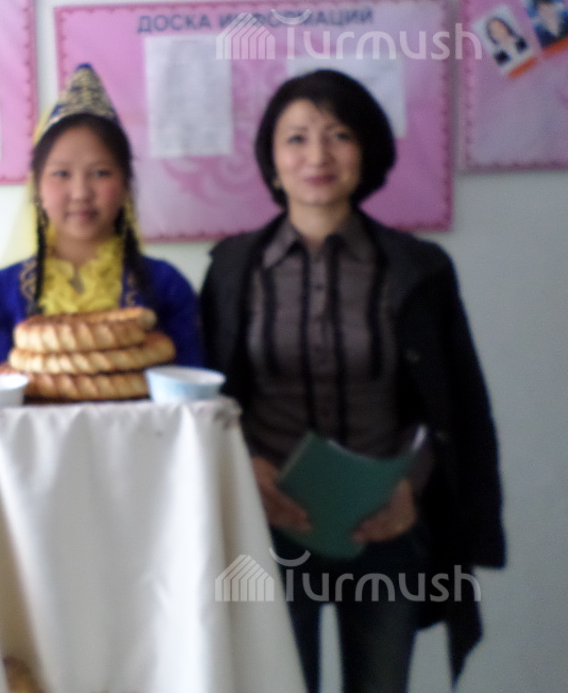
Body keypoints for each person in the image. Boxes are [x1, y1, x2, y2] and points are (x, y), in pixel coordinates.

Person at [200, 69, 505, 693]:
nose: (317, 155)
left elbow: (456, 403)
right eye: (297, 138)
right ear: (271, 159)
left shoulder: (417, 268)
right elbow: (209, 399)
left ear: (366, 152)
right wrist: (245, 470)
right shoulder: (233, 268)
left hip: (384, 523)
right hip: (271, 524)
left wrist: (411, 489)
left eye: (338, 135)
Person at [0, 64, 204, 375]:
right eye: (61, 173)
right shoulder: (2, 291)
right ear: (37, 186)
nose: (80, 193)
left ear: (125, 184)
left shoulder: (166, 285)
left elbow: (192, 384)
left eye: (100, 173)